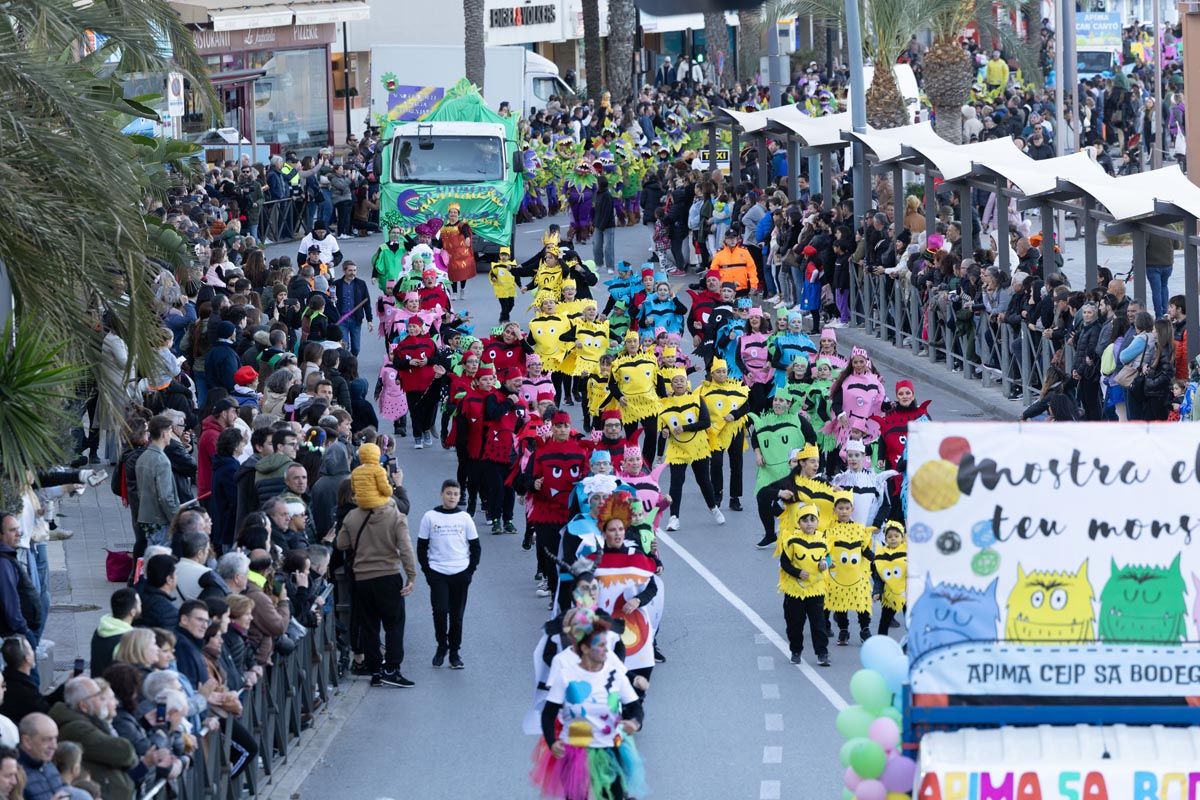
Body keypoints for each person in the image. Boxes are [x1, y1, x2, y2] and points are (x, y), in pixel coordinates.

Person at [531, 608, 646, 800]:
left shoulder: (614, 672)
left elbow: (635, 706)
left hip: (610, 746)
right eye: (600, 645)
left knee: (614, 795)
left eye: (606, 644)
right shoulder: (565, 673)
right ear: (584, 648)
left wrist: (635, 722)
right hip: (576, 748)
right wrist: (552, 741)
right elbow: (549, 713)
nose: (606, 649)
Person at [337, 480, 418, 688]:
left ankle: (374, 670)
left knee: (369, 625)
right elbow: (405, 547)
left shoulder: (352, 516)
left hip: (362, 577)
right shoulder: (394, 515)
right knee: (394, 623)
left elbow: (341, 543)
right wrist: (411, 575)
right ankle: (391, 668)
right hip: (388, 574)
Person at [417, 480, 480, 670]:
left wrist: (470, 571)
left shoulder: (465, 518)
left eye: (455, 494)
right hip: (438, 572)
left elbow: (475, 547)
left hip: (461, 572)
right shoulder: (430, 517)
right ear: (441, 494)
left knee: (456, 615)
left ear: (460, 497)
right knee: (440, 611)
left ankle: (454, 652)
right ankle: (441, 646)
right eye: (449, 493)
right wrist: (427, 571)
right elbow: (421, 546)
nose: (452, 497)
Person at [48, 677, 141, 800]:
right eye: (98, 696)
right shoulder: (77, 728)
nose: (103, 701)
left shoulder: (89, 722)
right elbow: (125, 752)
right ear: (83, 705)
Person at [776, 503, 831, 666]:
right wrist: (797, 572)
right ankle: (796, 650)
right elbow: (784, 563)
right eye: (805, 520)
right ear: (799, 523)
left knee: (818, 624)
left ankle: (822, 653)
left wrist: (825, 564)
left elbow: (828, 557)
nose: (809, 523)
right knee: (795, 623)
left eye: (812, 519)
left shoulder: (823, 539)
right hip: (795, 590)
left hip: (816, 589)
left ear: (817, 521)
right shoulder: (792, 540)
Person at [133, 416, 179, 551]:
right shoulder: (162, 460)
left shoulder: (143, 457)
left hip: (147, 518)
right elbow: (165, 496)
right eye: (170, 431)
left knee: (152, 558)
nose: (171, 435)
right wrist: (175, 518)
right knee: (161, 561)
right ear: (164, 433)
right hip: (160, 519)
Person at [89, 590, 139, 679]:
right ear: (133, 612)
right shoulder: (125, 640)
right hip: (113, 690)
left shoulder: (101, 629)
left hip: (98, 686)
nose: (141, 606)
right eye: (139, 604)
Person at [17, 713, 65, 800]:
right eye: (47, 739)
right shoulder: (14, 774)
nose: (54, 746)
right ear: (27, 741)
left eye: (55, 738)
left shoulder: (48, 765)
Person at [0, 637, 48, 724]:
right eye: (30, 650)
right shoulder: (27, 692)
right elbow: (46, 710)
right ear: (27, 658)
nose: (33, 652)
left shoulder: (6, 678)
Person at [134, 554, 178, 629]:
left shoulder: (137, 598)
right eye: (176, 574)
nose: (177, 577)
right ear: (169, 579)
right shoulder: (168, 611)